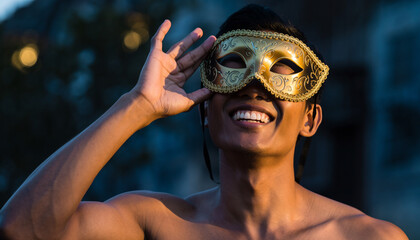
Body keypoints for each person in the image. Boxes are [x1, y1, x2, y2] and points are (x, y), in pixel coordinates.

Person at [0, 4, 408, 240]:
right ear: (204, 107)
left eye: (282, 71)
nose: (254, 85)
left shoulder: (369, 237)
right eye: (233, 66)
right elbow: (22, 228)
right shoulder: (152, 222)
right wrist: (136, 105)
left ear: (311, 119)